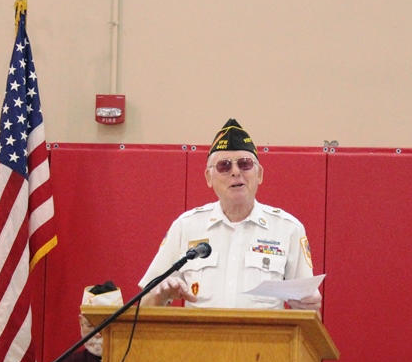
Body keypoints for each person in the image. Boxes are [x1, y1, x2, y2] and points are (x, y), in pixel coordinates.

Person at [138, 118, 322, 313]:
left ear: (259, 174)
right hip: (200, 342)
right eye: (224, 166)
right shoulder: (186, 227)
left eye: (245, 164)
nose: (236, 172)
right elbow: (145, 305)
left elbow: (308, 314)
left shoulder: (287, 229)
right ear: (209, 178)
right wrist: (160, 295)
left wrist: (311, 304)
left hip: (264, 343)